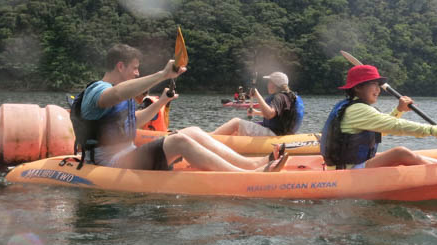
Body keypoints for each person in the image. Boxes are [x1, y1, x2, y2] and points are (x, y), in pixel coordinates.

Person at [75, 44, 286, 172]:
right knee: (178, 140)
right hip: (110, 162)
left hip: (129, 154)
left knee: (192, 130)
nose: (137, 73)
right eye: (135, 69)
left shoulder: (122, 91)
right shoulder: (98, 90)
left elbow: (132, 122)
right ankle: (244, 176)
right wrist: (162, 75)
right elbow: (117, 94)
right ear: (120, 66)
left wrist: (161, 102)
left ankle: (249, 164)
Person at [320, 64, 437, 169]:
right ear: (357, 87)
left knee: (401, 155)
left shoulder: (351, 106)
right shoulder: (357, 109)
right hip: (347, 171)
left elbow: (381, 130)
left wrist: (399, 110)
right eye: (373, 84)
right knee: (400, 153)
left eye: (378, 85)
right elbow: (395, 126)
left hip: (349, 166)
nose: (378, 90)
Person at [212, 71, 304, 137]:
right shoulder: (288, 96)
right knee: (238, 130)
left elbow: (269, 114)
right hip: (280, 132)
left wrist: (257, 94)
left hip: (274, 134)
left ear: (274, 84)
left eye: (269, 82)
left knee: (236, 122)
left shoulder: (279, 97)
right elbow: (277, 116)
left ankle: (209, 139)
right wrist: (256, 112)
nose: (268, 84)